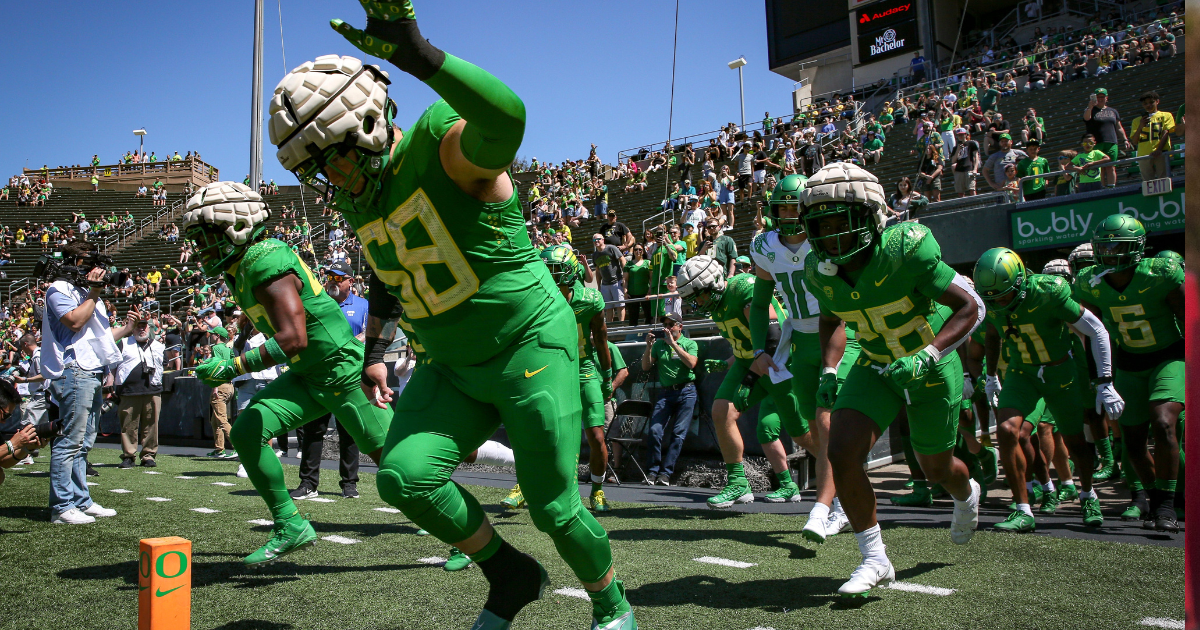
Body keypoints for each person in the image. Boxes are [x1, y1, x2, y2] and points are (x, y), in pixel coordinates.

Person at [273, 4, 636, 625]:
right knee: (405, 477)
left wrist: (422, 58)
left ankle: (610, 605)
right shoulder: (361, 200)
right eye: (316, 165)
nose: (332, 174)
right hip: (451, 363)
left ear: (364, 122)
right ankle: (511, 574)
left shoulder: (438, 145)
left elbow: (507, 119)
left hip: (527, 345)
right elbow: (388, 277)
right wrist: (377, 354)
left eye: (334, 153)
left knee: (553, 508)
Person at [182, 181, 393, 567]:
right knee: (247, 431)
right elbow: (257, 317)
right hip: (309, 375)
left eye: (206, 236)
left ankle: (467, 533)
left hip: (340, 371)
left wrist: (234, 365)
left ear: (237, 226)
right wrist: (227, 342)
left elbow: (293, 338)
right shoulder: (241, 266)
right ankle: (290, 524)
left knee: (401, 470)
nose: (200, 248)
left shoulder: (265, 259)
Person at [800, 162, 985, 596]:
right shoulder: (820, 270)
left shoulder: (905, 248)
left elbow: (969, 307)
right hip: (876, 365)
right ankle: (875, 559)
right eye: (818, 224)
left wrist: (928, 354)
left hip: (931, 365)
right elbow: (831, 320)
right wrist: (830, 368)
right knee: (843, 451)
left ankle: (966, 492)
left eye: (836, 222)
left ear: (867, 216)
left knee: (936, 467)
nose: (826, 234)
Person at [973, 248, 1119, 532]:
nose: (999, 302)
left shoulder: (1048, 291)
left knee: (1076, 441)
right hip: (1021, 372)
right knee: (1006, 430)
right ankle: (1023, 509)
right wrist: (990, 376)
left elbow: (1097, 330)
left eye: (1003, 294)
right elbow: (992, 334)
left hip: (1060, 371)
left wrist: (1106, 381)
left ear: (1020, 282)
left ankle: (1088, 494)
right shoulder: (992, 301)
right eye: (991, 298)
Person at [746, 173, 852, 542]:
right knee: (813, 430)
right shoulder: (765, 246)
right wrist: (759, 349)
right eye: (783, 207)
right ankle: (843, 495)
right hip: (800, 339)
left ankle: (829, 508)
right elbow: (760, 304)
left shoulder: (827, 236)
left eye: (796, 207)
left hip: (838, 331)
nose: (790, 215)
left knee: (826, 424)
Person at [1075, 215, 1183, 532]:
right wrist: (1101, 382)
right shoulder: (1089, 281)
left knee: (1163, 422)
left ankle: (1166, 506)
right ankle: (1156, 501)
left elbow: (1188, 317)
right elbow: (1093, 335)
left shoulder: (1160, 273)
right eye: (1104, 246)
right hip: (1129, 363)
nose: (1109, 252)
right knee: (1132, 445)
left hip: (1168, 355)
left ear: (1136, 248)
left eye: (1116, 245)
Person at [43, 240, 142, 524]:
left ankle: (80, 500)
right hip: (73, 368)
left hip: (92, 369)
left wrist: (127, 328)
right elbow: (74, 322)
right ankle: (62, 507)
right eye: (91, 263)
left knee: (84, 441)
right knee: (70, 440)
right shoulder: (59, 289)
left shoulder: (85, 293)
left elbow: (97, 338)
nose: (98, 271)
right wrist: (95, 292)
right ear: (76, 263)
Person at [540, 246, 613, 512]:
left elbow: (602, 339)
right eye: (547, 270)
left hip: (582, 369)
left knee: (595, 435)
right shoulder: (538, 298)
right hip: (551, 369)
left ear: (570, 273)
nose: (550, 275)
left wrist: (607, 377)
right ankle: (526, 485)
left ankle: (597, 489)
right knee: (542, 433)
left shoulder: (590, 300)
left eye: (555, 270)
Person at [292, 260, 369, 500]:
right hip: (321, 376)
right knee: (313, 430)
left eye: (338, 278)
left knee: (349, 431)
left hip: (350, 377)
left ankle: (349, 484)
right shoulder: (317, 303)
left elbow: (374, 332)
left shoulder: (363, 305)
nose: (332, 282)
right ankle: (308, 483)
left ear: (351, 281)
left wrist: (358, 340)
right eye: (329, 278)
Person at [640, 309, 697, 486]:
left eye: (670, 325)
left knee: (678, 434)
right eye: (664, 325)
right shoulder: (659, 345)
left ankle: (666, 473)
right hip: (666, 393)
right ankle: (652, 472)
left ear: (680, 327)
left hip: (686, 392)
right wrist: (649, 346)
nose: (667, 328)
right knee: (655, 430)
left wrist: (673, 344)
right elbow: (646, 367)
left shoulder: (689, 343)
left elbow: (692, 363)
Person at [115, 317, 165, 468]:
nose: (141, 329)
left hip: (152, 390)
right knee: (129, 425)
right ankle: (129, 455)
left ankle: (149, 455)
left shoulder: (159, 346)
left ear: (149, 329)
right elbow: (112, 364)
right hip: (129, 390)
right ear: (132, 328)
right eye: (138, 327)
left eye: (144, 327)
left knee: (151, 425)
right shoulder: (123, 343)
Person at [1082, 88, 1130, 188]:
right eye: (1098, 97)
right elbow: (1086, 118)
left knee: (1111, 165)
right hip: (1096, 142)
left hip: (1111, 141)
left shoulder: (1113, 111)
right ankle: (1102, 187)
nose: (1100, 99)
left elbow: (1119, 127)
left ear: (1106, 98)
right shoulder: (1090, 110)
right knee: (1099, 167)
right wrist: (1090, 107)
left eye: (1102, 97)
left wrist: (1125, 139)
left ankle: (1111, 187)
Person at [204, 326, 237, 459]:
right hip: (229, 386)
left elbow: (217, 366)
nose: (211, 336)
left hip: (220, 385)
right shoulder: (229, 349)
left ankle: (238, 446)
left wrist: (215, 385)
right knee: (215, 420)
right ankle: (219, 449)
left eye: (213, 334)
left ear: (217, 336)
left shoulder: (216, 348)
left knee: (222, 419)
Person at [1128, 90, 1175, 181]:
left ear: (1157, 101)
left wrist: (1159, 149)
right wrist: (1141, 126)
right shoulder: (1137, 121)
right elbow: (1134, 141)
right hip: (1144, 154)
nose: (1148, 105)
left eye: (1151, 102)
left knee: (1164, 180)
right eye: (1145, 103)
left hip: (1161, 153)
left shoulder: (1166, 115)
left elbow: (1166, 132)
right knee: (1148, 183)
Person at [590, 234, 625, 323]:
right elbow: (597, 271)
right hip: (605, 284)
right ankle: (610, 325)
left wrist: (625, 276)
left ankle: (621, 325)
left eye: (598, 239)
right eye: (594, 240)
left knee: (620, 305)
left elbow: (622, 260)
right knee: (608, 307)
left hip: (616, 281)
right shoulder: (595, 255)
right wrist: (598, 286)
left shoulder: (611, 248)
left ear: (603, 240)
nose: (596, 241)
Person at [624, 244, 651, 328]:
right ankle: (633, 336)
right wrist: (625, 292)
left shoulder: (648, 262)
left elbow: (652, 278)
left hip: (646, 294)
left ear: (643, 251)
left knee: (649, 316)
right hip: (632, 294)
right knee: (633, 318)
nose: (638, 251)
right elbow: (625, 280)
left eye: (640, 249)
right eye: (636, 249)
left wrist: (650, 291)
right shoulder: (628, 264)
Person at [950, 128, 981, 197]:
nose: (960, 137)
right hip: (959, 170)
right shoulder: (956, 147)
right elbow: (953, 161)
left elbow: (976, 156)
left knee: (972, 189)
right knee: (960, 191)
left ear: (966, 135)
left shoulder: (971, 143)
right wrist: (958, 150)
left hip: (969, 168)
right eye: (958, 135)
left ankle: (975, 203)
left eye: (962, 135)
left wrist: (975, 169)